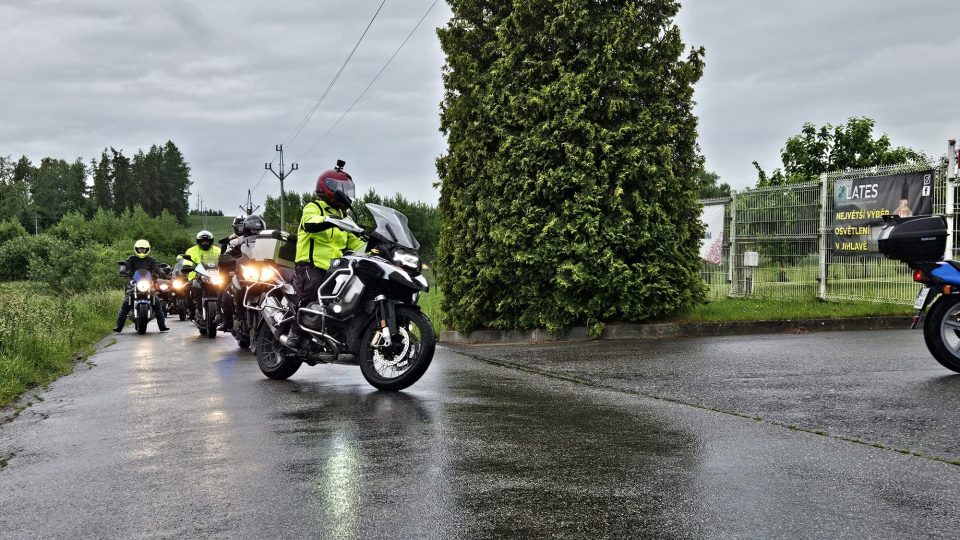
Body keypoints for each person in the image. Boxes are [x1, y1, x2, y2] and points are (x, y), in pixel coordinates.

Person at [284, 160, 364, 349]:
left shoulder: (345, 218)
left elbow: (357, 244)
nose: (346, 193)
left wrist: (375, 246)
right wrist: (330, 220)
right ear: (328, 188)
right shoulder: (314, 208)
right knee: (314, 288)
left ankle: (335, 334)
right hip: (310, 265)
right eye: (342, 189)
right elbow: (310, 223)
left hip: (335, 270)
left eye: (347, 189)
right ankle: (295, 333)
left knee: (348, 297)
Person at [219, 215, 266, 331]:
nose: (256, 232)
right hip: (243, 273)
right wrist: (228, 259)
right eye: (253, 229)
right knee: (227, 291)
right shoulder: (236, 242)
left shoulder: (268, 242)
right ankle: (227, 321)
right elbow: (227, 254)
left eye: (259, 230)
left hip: (263, 274)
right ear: (247, 229)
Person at [114, 239, 169, 333]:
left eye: (143, 249)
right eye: (140, 249)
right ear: (136, 249)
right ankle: (119, 326)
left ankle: (162, 325)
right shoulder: (131, 258)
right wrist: (123, 270)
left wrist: (163, 273)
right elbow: (125, 265)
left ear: (147, 249)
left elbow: (157, 268)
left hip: (148, 283)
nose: (141, 250)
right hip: (134, 283)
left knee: (156, 302)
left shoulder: (151, 260)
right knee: (126, 302)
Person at [182, 230, 222, 319]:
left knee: (226, 288)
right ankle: (192, 310)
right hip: (196, 276)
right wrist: (187, 266)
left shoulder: (218, 250)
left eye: (207, 241)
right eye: (203, 241)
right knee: (186, 289)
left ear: (211, 241)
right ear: (198, 241)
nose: (205, 243)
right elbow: (187, 262)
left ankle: (225, 312)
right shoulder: (191, 250)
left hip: (215, 275)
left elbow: (223, 260)